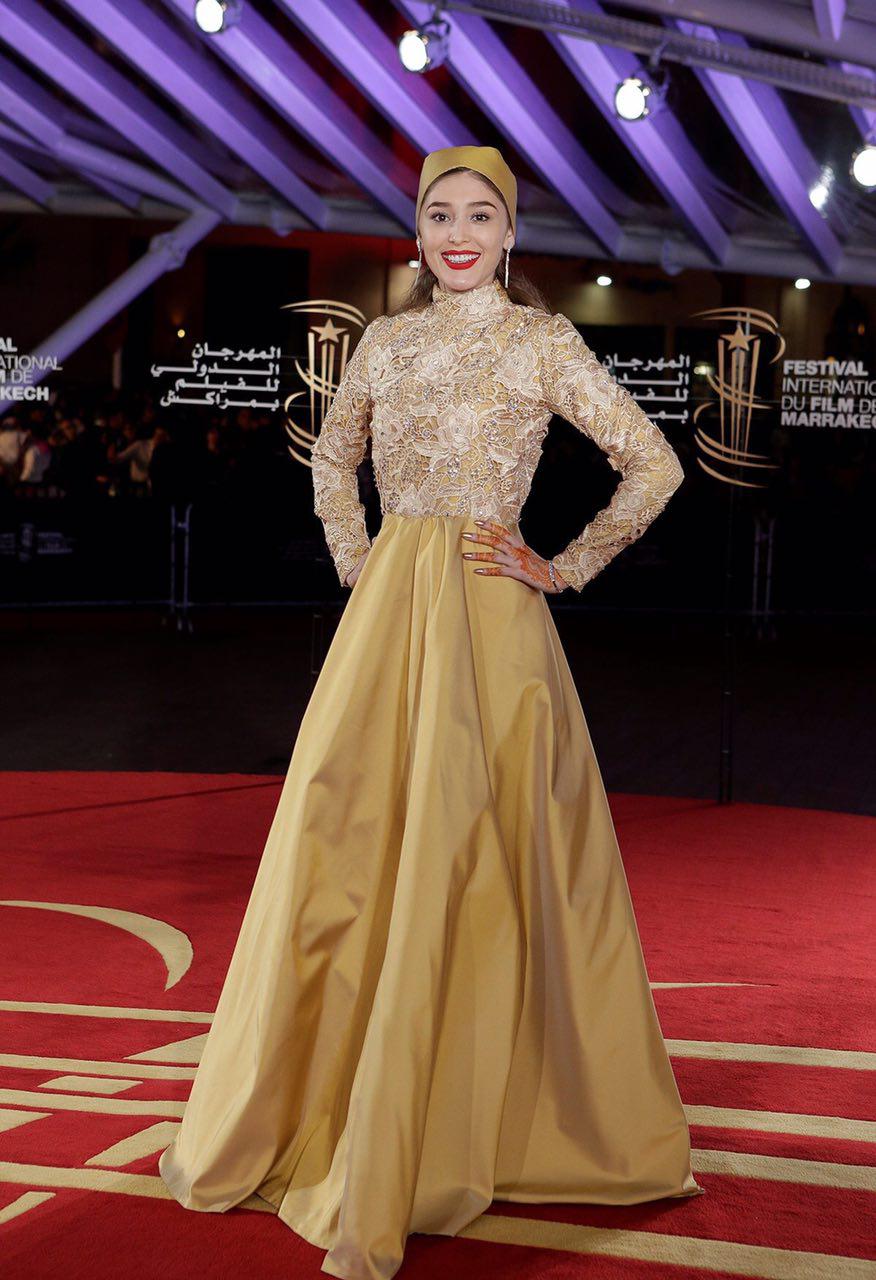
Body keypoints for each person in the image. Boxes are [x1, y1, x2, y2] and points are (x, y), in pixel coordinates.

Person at [158, 145, 704, 1280]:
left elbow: (654, 465)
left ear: (510, 234)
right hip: (388, 620)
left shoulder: (540, 341)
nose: (460, 232)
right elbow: (331, 459)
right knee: (347, 841)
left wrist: (565, 564)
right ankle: (341, 1098)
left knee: (483, 855)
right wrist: (361, 562)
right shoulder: (383, 341)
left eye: (481, 215)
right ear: (417, 233)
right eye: (441, 213)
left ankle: (476, 1112)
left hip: (494, 619)